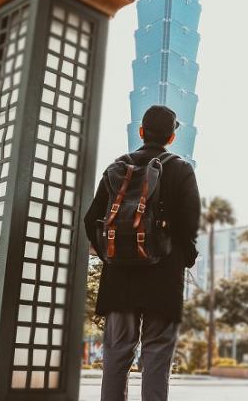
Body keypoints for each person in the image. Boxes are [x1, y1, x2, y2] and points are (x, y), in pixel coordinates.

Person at [83, 105, 200, 401]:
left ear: (141, 132)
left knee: (116, 355)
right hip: (163, 275)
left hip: (119, 277)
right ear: (172, 138)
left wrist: (109, 254)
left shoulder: (116, 167)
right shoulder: (181, 168)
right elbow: (189, 224)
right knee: (157, 356)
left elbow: (91, 219)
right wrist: (184, 259)